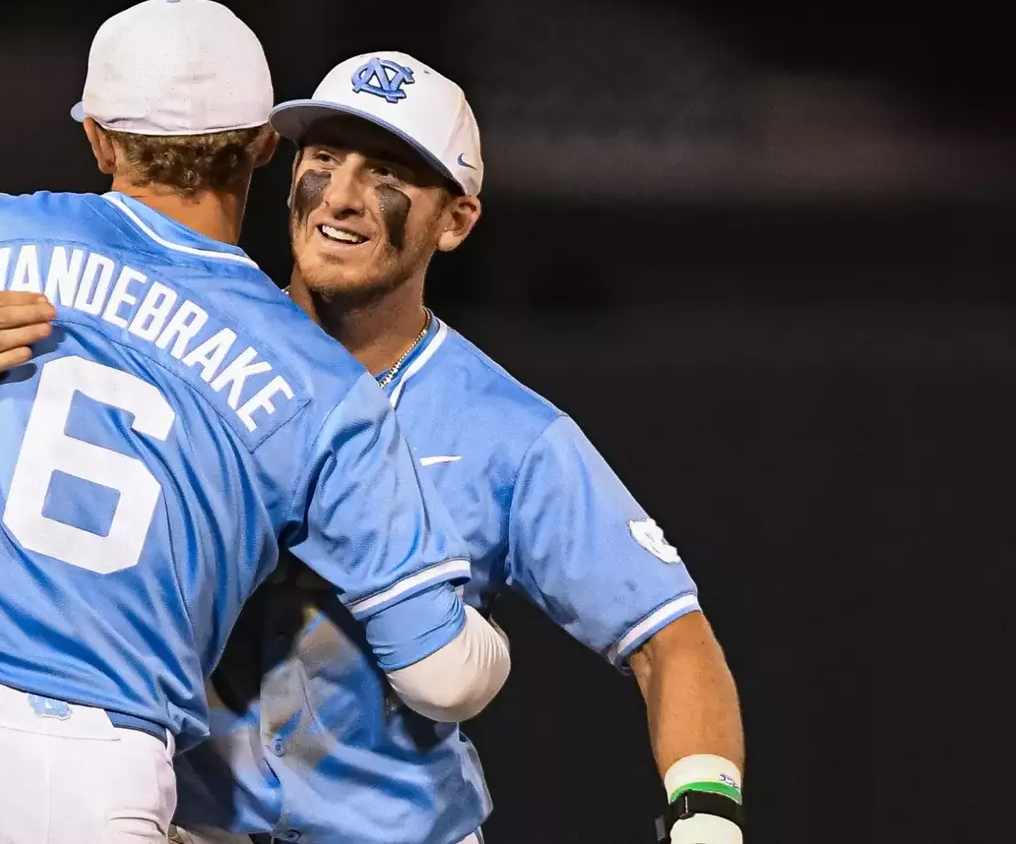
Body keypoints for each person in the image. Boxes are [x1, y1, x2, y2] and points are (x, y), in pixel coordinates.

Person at [0, 3, 511, 844]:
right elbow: (445, 678)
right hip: (109, 773)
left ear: (100, 138)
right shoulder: (318, 379)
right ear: (262, 147)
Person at [164, 53, 746, 844]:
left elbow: (672, 637)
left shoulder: (506, 429)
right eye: (324, 158)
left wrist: (708, 822)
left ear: (457, 219)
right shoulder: (192, 346)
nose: (340, 196)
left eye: (388, 172)